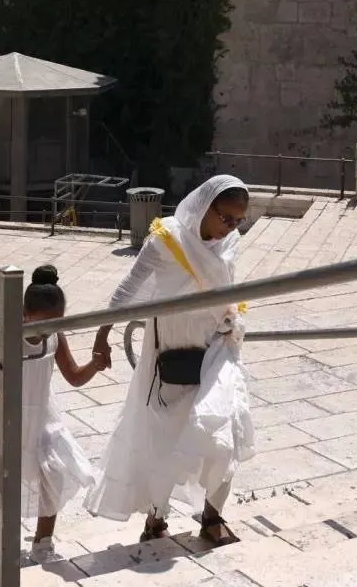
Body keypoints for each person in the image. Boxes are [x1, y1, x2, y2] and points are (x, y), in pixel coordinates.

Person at [86, 175, 256, 546]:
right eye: (225, 218)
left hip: (217, 348)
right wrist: (102, 334)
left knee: (223, 431)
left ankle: (212, 518)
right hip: (172, 353)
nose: (230, 228)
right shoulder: (167, 239)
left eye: (238, 221)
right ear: (206, 207)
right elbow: (129, 287)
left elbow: (227, 287)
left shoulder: (230, 243)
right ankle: (155, 518)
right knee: (164, 439)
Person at [0, 265, 107, 562]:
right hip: (6, 414)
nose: (50, 328)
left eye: (57, 321)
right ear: (25, 313)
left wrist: (95, 365)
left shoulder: (55, 338)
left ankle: (43, 541)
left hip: (42, 415)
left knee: (54, 473)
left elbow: (74, 376)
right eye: (44, 322)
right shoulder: (8, 336)